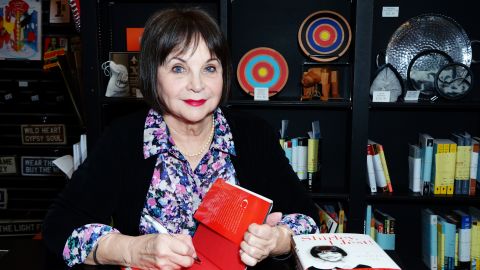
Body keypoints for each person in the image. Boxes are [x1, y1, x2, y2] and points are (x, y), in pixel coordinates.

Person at [43, 7, 319, 270]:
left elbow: (307, 219)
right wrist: (132, 249)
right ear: (153, 74)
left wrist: (277, 240)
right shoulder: (124, 138)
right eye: (178, 68)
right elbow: (60, 226)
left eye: (209, 68)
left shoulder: (253, 134)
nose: (197, 85)